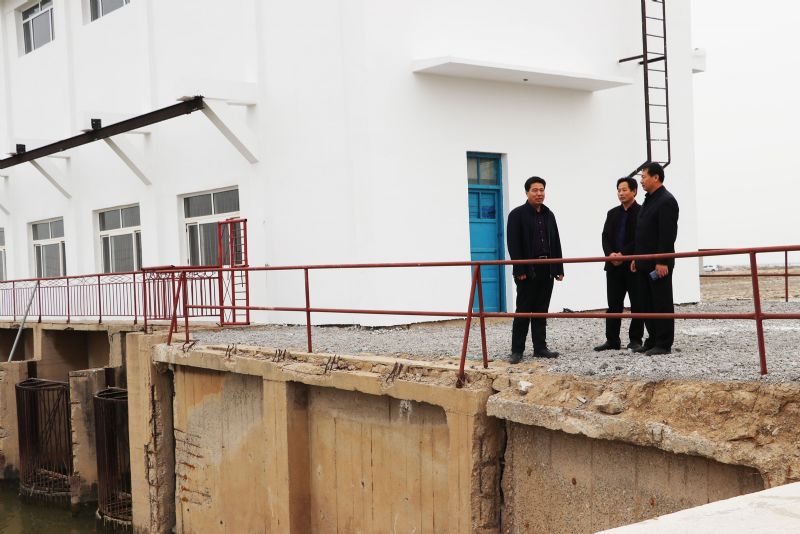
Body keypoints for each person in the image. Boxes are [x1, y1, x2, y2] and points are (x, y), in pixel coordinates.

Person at [506, 176, 564, 363]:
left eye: (541, 190)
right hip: (527, 269)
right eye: (535, 190)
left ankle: (540, 348)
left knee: (541, 310)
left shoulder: (549, 214)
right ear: (527, 192)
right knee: (523, 310)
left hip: (546, 268)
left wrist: (558, 267)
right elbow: (513, 244)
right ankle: (517, 351)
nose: (539, 194)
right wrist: (519, 269)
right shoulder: (517, 215)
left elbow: (555, 241)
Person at [630, 162, 679, 355]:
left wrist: (662, 261)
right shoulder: (649, 199)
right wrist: (636, 258)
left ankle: (664, 343)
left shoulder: (666, 201)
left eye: (643, 177)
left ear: (656, 177)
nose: (641, 181)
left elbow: (667, 234)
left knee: (661, 302)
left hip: (658, 264)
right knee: (646, 303)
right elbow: (642, 233)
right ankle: (652, 339)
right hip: (643, 262)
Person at [594, 177, 644, 351]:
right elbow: (605, 237)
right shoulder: (612, 213)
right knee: (613, 304)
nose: (621, 193)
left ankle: (635, 340)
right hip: (613, 266)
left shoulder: (642, 212)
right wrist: (610, 254)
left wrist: (624, 254)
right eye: (619, 190)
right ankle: (612, 340)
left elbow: (640, 238)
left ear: (634, 191)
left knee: (637, 304)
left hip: (632, 265)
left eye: (624, 190)